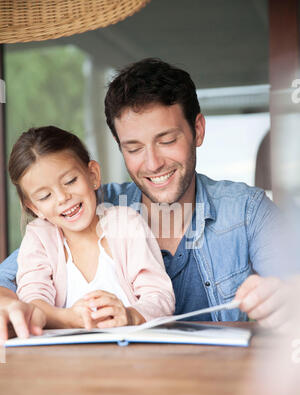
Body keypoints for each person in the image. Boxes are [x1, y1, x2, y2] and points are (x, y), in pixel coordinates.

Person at [0, 58, 287, 338]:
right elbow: (9, 284)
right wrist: (14, 306)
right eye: (134, 148)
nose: (152, 163)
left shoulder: (246, 211)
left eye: (167, 141)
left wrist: (286, 297)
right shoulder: (92, 207)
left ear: (197, 130)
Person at [0, 125, 175, 340]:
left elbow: (160, 297)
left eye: (70, 181)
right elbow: (33, 302)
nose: (63, 197)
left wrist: (130, 316)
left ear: (93, 175)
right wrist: (71, 319)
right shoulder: (39, 238)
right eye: (45, 196)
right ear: (34, 208)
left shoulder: (127, 224)